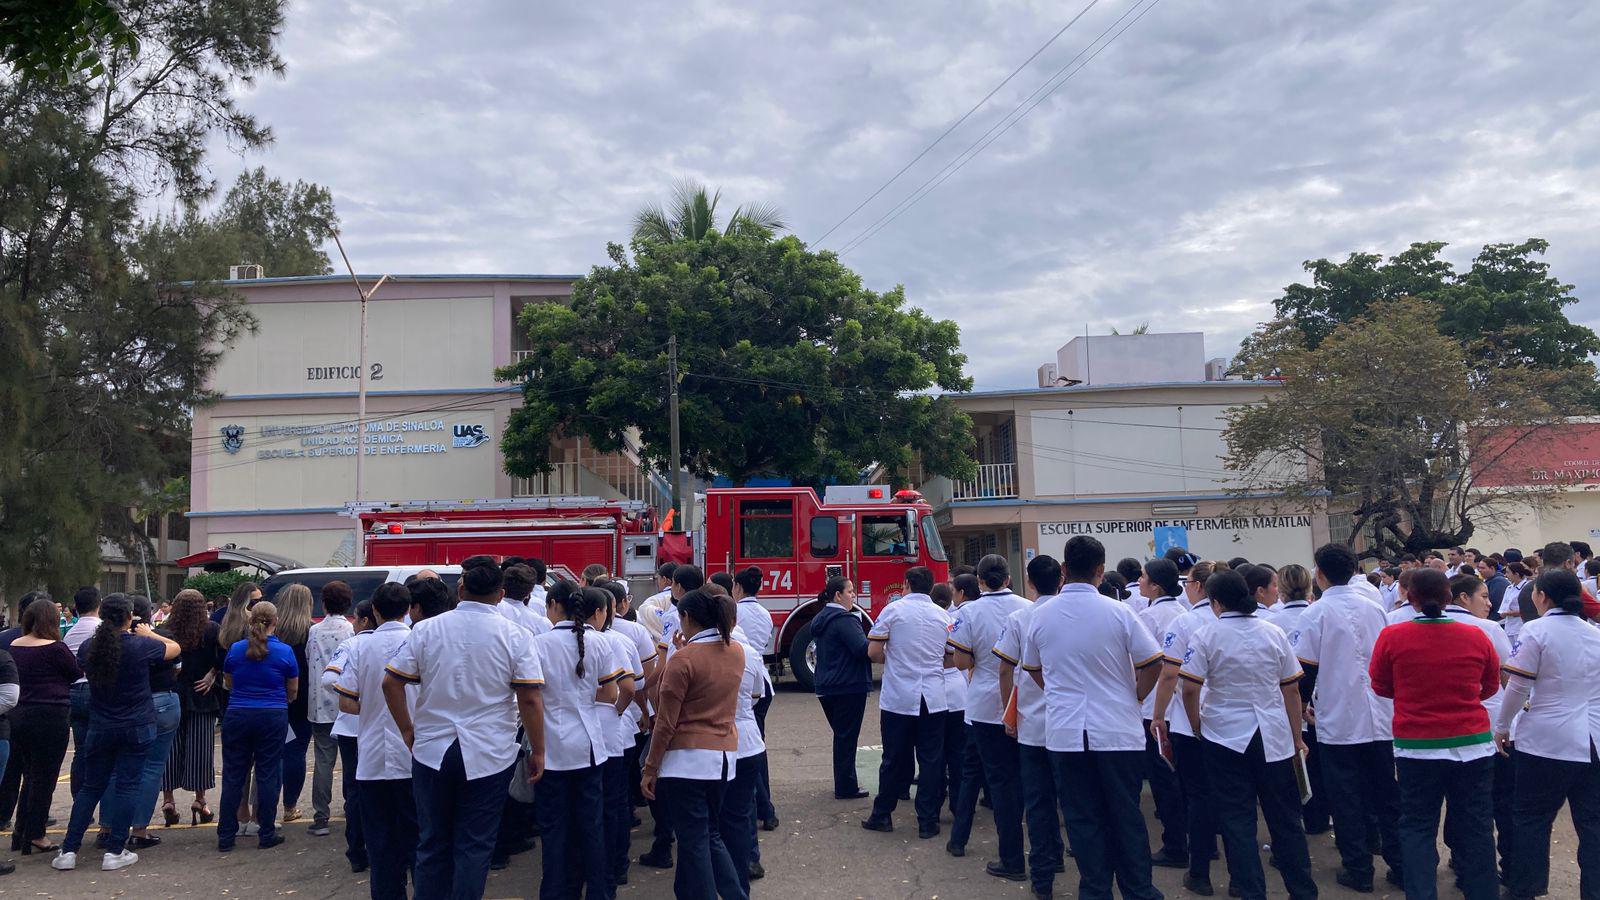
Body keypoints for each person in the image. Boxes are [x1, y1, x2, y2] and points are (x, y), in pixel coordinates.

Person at [382, 558, 546, 900]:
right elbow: (529, 698)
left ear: (460, 588)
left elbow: (391, 683)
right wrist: (539, 750)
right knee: (475, 844)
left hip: (431, 750)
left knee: (432, 842)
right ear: (500, 595)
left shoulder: (427, 629)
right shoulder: (516, 635)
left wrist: (407, 731)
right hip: (489, 752)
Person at [1020, 535, 1164, 900]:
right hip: (1118, 730)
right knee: (1126, 816)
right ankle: (1138, 890)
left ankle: (1095, 890)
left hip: (1066, 733)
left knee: (1083, 820)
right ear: (1101, 571)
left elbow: (1034, 669)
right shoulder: (1120, 612)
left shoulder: (1040, 616)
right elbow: (1152, 663)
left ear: (1064, 569)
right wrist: (1134, 696)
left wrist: (1057, 689)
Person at [1178, 569, 1314, 900]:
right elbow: (1291, 690)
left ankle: (1252, 890)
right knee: (1286, 819)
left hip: (1224, 736)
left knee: (1237, 820)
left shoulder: (1207, 635)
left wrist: (1197, 726)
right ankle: (1303, 891)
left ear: (1216, 602)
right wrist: (1297, 737)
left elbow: (1189, 689)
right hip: (1273, 735)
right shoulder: (1272, 631)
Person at [1368, 568, 1500, 900]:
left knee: (1416, 827)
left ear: (1408, 597)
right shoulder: (1476, 635)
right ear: (1448, 597)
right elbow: (1489, 686)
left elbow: (1381, 685)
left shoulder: (1393, 636)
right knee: (1478, 828)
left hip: (1417, 749)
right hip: (1472, 746)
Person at [1288, 543, 1402, 892]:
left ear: (1319, 575)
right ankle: (1400, 864)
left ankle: (1359, 868)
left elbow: (1303, 673)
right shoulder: (1375, 609)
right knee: (1387, 794)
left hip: (1338, 719)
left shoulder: (1315, 613)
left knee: (1346, 797)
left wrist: (1300, 714)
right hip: (1380, 716)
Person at [53, 595, 181, 872]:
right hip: (136, 723)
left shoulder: (89, 647)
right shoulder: (140, 646)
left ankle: (69, 849)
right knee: (128, 785)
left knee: (91, 787)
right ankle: (115, 849)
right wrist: (150, 633)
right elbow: (174, 648)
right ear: (128, 617)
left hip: (101, 724)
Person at [1495, 569, 1600, 900]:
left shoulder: (1536, 631)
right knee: (1594, 826)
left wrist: (1502, 726)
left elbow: (1518, 687)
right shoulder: (1595, 634)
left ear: (1541, 597)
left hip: (1547, 742)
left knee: (1531, 820)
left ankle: (1525, 890)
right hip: (1593, 740)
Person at [640, 589, 749, 900]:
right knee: (709, 834)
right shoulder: (735, 650)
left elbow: (665, 722)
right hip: (724, 757)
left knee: (694, 840)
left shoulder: (683, 660)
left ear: (686, 618)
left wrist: (650, 768)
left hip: (686, 761)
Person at [533, 584, 622, 899]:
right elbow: (611, 694)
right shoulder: (599, 642)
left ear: (555, 605)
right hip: (589, 748)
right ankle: (599, 891)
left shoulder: (539, 644)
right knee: (591, 827)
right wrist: (581, 697)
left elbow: (531, 698)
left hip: (550, 750)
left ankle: (556, 892)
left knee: (554, 830)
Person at [944, 554, 1030, 880]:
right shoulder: (1029, 607)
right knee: (1028, 781)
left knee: (981, 775)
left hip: (982, 708)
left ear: (979, 581)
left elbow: (962, 662)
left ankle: (969, 843)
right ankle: (1045, 854)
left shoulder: (969, 613)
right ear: (1008, 578)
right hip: (1024, 705)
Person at [992, 555, 1067, 899]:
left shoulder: (1022, 617)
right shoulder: (1071, 615)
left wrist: (1010, 711)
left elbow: (1006, 669)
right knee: (1070, 798)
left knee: (1036, 802)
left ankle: (1043, 878)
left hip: (1034, 724)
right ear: (1061, 579)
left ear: (1030, 581)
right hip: (1071, 725)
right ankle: (1060, 856)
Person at [337, 584, 418, 897]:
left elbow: (345, 702)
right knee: (418, 840)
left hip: (371, 759)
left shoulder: (359, 646)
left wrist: (372, 706)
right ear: (408, 609)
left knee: (381, 842)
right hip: (412, 755)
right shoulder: (418, 641)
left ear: (374, 612)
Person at [1149, 560, 1225, 895]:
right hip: (1228, 722)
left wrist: (1157, 714)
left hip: (1188, 718)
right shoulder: (1233, 621)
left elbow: (1170, 674)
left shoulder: (1187, 620)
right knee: (1228, 796)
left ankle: (1197, 868)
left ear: (1198, 586)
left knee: (1195, 793)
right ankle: (1220, 856)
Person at [861, 566, 950, 838]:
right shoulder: (944, 615)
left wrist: (897, 659)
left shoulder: (893, 611)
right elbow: (952, 657)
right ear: (932, 587)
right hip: (934, 698)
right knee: (932, 761)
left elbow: (874, 651)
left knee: (893, 759)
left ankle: (882, 815)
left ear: (907, 584)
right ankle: (928, 821)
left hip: (899, 697)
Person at [215, 601, 297, 852]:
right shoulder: (284, 652)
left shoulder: (236, 649)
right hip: (272, 713)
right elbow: (292, 689)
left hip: (238, 712)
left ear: (250, 621)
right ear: (276, 621)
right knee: (268, 773)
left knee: (233, 774)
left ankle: (226, 835)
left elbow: (229, 681)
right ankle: (267, 831)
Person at [5, 598, 80, 857]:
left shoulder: (14, 645)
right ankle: (36, 833)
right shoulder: (56, 648)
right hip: (50, 715)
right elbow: (74, 673)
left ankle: (21, 832)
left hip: (19, 714)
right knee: (44, 778)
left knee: (27, 775)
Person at [110, 595, 180, 850]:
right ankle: (139, 829)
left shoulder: (112, 642)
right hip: (161, 699)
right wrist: (151, 634)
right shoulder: (158, 638)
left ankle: (109, 826)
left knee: (118, 767)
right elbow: (175, 651)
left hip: (126, 703)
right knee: (151, 767)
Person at [1136, 557, 1191, 869]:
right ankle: (1195, 840)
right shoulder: (1183, 613)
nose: (1140, 582)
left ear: (1156, 585)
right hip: (1182, 706)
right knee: (1184, 779)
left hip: (1156, 706)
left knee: (1164, 781)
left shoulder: (1150, 616)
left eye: (1144, 578)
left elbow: (1142, 661)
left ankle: (1174, 845)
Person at [1270, 564, 1328, 835]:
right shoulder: (1318, 614)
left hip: (1286, 703)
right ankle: (1320, 816)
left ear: (1280, 589)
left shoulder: (1270, 621)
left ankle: (1301, 819)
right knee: (1318, 765)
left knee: (1291, 769)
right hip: (1319, 700)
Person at [161, 590, 224, 827]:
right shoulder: (211, 629)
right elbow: (222, 657)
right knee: (200, 749)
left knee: (170, 749)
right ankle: (200, 800)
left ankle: (168, 800)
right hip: (202, 694)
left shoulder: (165, 630)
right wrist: (212, 674)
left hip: (174, 694)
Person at [322, 598, 374, 874]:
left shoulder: (352, 645)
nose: (352, 624)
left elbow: (330, 680)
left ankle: (357, 850)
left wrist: (354, 698)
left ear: (366, 619)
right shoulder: (403, 642)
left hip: (353, 726)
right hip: (379, 726)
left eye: (355, 619)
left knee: (355, 790)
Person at [810, 576, 872, 801]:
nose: (853, 596)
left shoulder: (822, 617)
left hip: (827, 685)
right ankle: (846, 785)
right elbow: (861, 648)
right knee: (847, 738)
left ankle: (845, 782)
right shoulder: (845, 620)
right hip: (848, 685)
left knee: (842, 736)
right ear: (838, 595)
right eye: (850, 591)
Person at [301, 581, 354, 838]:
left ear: (324, 603)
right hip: (345, 703)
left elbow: (311, 659)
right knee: (349, 759)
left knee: (323, 761)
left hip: (319, 703)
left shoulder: (315, 631)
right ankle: (350, 806)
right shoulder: (351, 631)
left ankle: (321, 816)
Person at [723, 604, 770, 892]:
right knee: (742, 810)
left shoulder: (692, 653)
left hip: (716, 744)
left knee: (719, 817)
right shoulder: (748, 652)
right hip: (748, 741)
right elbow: (757, 694)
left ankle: (731, 873)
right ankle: (748, 864)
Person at [731, 565, 778, 833]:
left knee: (750, 752)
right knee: (756, 750)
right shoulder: (764, 612)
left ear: (737, 587)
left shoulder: (734, 612)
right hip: (761, 682)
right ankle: (765, 808)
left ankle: (765, 809)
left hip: (744, 683)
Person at [273, 584, 315, 823]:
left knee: (273, 754)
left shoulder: (274, 630)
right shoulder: (311, 631)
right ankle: (290, 806)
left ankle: (265, 806)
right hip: (302, 699)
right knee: (296, 752)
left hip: (275, 698)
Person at [61, 587, 97, 798]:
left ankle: (80, 799)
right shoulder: (102, 629)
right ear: (98, 604)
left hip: (73, 691)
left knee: (81, 750)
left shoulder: (70, 634)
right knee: (101, 749)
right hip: (95, 690)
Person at [637, 562, 678, 642]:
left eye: (658, 579)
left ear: (664, 579)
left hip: (661, 647)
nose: (657, 582)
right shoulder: (687, 598)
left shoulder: (652, 601)